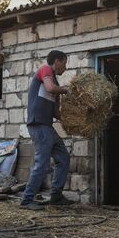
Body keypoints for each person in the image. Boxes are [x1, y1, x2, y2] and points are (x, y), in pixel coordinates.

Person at [20, 50, 74, 210]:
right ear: (57, 61)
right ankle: (27, 200)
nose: (65, 66)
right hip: (38, 124)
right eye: (64, 63)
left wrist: (73, 120)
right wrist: (66, 90)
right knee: (42, 163)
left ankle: (56, 196)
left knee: (63, 158)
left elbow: (56, 112)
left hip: (47, 126)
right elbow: (50, 88)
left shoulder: (54, 82)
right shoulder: (46, 71)